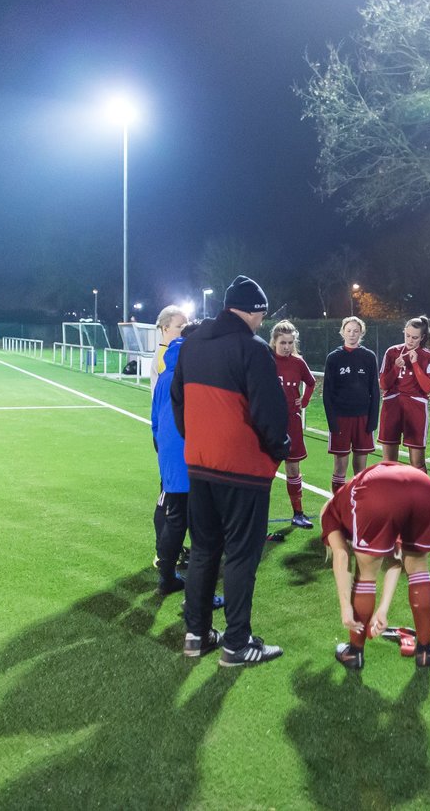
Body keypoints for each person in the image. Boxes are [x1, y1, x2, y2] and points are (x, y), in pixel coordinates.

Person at [172, 275, 290, 668]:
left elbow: (179, 403)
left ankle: (197, 633)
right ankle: (237, 643)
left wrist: (198, 443)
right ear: (255, 311)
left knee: (205, 550)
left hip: (200, 465)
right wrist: (279, 450)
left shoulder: (191, 345)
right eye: (262, 314)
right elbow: (270, 414)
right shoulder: (253, 349)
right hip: (242, 470)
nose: (262, 321)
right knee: (241, 555)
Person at [320, 461, 430, 669]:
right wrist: (383, 609)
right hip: (425, 486)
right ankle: (424, 651)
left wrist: (345, 607)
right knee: (419, 568)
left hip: (378, 492)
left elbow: (341, 556)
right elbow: (394, 562)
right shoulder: (351, 496)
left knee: (366, 572)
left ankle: (354, 653)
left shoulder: (331, 511)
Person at [149, 306, 191, 575]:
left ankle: (168, 551)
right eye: (180, 326)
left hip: (165, 432)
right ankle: (163, 553)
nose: (183, 331)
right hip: (172, 436)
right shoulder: (168, 357)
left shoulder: (167, 355)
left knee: (169, 497)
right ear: (165, 328)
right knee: (169, 499)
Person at [322, 316, 380, 495]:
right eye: (349, 330)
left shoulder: (369, 357)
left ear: (361, 333)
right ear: (342, 332)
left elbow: (375, 391)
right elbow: (327, 393)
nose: (352, 334)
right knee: (340, 464)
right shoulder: (334, 357)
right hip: (341, 417)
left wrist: (373, 421)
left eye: (356, 331)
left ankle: (358, 502)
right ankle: (338, 504)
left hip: (362, 418)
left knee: (361, 464)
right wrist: (332, 422)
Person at [271, 320, 317, 528]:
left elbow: (311, 382)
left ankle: (298, 513)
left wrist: (304, 401)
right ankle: (256, 516)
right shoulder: (266, 359)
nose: (287, 346)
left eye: (290, 342)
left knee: (293, 468)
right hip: (270, 423)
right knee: (266, 470)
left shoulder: (298, 363)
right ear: (274, 342)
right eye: (283, 342)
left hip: (292, 421)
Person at [378, 315, 430, 471]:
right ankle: (391, 495)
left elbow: (428, 387)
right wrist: (396, 368)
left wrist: (415, 363)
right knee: (389, 463)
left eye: (415, 337)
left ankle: (422, 495)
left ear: (422, 337)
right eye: (408, 336)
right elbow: (383, 384)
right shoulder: (392, 352)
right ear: (404, 332)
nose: (410, 340)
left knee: (417, 463)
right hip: (392, 406)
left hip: (416, 407)